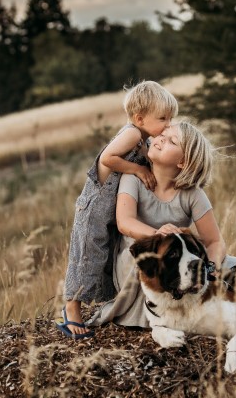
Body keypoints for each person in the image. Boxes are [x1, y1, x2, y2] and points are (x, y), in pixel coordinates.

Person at [87, 121, 236, 329]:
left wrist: (211, 267)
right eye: (163, 134)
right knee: (143, 261)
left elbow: (214, 240)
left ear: (182, 162)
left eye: (172, 140)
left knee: (235, 265)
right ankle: (146, 316)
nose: (161, 139)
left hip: (178, 265)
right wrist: (157, 234)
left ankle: (212, 311)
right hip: (138, 258)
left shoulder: (193, 194)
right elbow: (124, 222)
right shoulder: (133, 179)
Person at [56, 81, 179, 339]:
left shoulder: (143, 140)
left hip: (107, 212)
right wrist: (138, 169)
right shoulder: (133, 134)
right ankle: (71, 309)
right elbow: (107, 159)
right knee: (87, 256)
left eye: (171, 119)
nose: (168, 124)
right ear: (140, 118)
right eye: (163, 118)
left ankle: (98, 302)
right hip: (94, 208)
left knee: (103, 257)